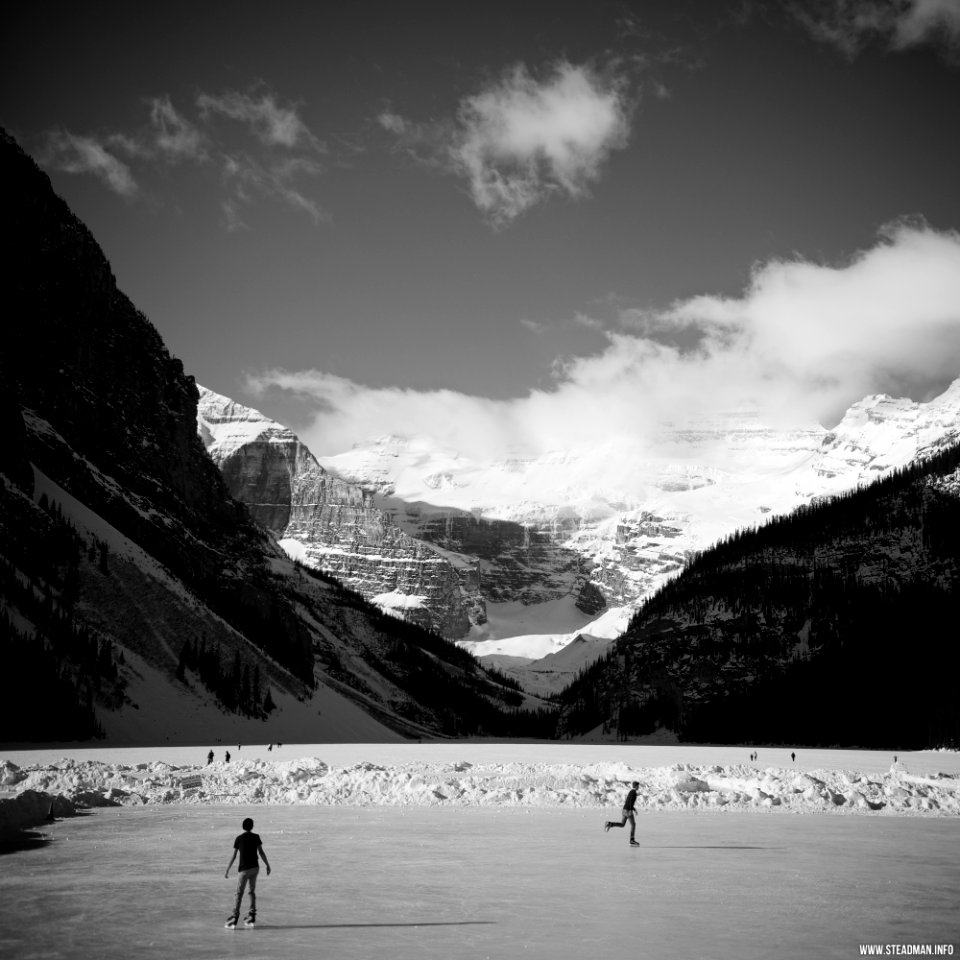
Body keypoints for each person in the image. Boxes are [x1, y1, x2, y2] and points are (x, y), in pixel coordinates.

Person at [224, 817, 271, 928]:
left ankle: (235, 917)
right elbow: (261, 852)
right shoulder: (256, 837)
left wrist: (227, 869)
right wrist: (267, 865)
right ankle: (251, 915)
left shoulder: (239, 838)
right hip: (255, 868)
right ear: (252, 826)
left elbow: (234, 856)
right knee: (251, 891)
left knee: (239, 893)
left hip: (244, 870)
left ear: (243, 826)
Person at [604, 781, 640, 846]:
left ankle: (610, 824)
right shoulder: (634, 793)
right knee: (633, 825)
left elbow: (628, 801)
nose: (639, 787)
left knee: (622, 824)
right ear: (636, 786)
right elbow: (630, 802)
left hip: (624, 810)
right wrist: (631, 810)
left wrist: (633, 809)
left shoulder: (631, 792)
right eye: (638, 786)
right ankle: (632, 840)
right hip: (628, 810)